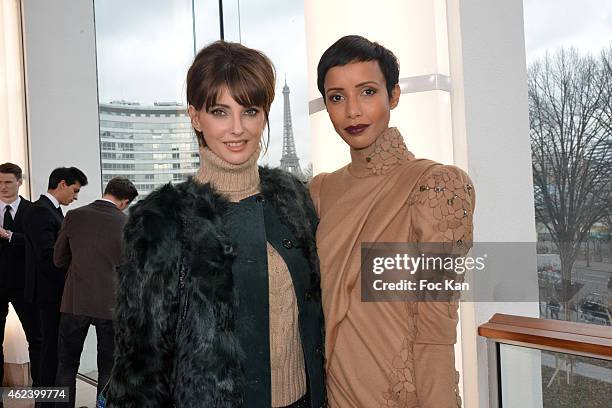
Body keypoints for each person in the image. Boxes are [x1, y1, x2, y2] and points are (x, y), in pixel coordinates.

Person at [104, 41, 325, 408]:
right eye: (220, 111)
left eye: (250, 110)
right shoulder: (161, 219)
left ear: (265, 114)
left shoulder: (294, 201)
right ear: (195, 117)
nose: (237, 128)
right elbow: (141, 361)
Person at [309, 35, 475, 408]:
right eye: (337, 97)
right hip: (331, 393)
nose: (353, 111)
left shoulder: (437, 186)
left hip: (402, 395)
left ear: (394, 96)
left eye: (367, 92)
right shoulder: (319, 192)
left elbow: (436, 332)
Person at [53, 177, 138, 408]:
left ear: (107, 191)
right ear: (124, 202)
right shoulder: (127, 224)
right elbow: (133, 270)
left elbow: (58, 259)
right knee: (108, 369)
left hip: (74, 302)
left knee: (66, 366)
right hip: (111, 306)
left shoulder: (74, 216)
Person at [23, 166, 87, 405]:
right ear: (61, 184)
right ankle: (46, 402)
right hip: (48, 294)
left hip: (52, 293)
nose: (76, 196)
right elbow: (48, 258)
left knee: (53, 350)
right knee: (49, 351)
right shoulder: (41, 212)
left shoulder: (52, 211)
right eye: (75, 190)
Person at [0, 163, 42, 391]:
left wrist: (9, 235)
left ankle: (41, 398)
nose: (3, 187)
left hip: (26, 286)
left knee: (37, 340)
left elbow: (37, 244)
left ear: (19, 182)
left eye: (7, 182)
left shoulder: (33, 210)